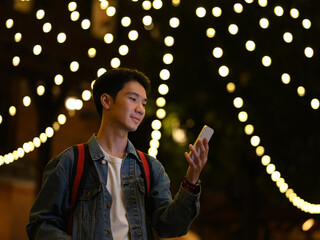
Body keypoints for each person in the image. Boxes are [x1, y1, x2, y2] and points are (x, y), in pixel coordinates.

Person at [26, 68, 210, 240]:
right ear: (106, 101)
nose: (140, 109)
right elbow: (40, 225)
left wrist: (191, 181)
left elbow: (170, 227)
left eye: (144, 103)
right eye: (133, 99)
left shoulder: (150, 167)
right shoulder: (70, 162)